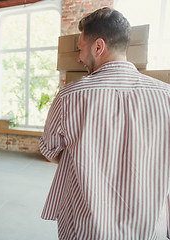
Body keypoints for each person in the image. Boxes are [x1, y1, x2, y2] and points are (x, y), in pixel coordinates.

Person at [40, 7, 170, 239]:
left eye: (80, 49)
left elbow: (49, 151)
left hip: (87, 228)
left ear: (98, 47)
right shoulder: (166, 95)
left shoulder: (70, 95)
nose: (79, 58)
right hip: (149, 229)